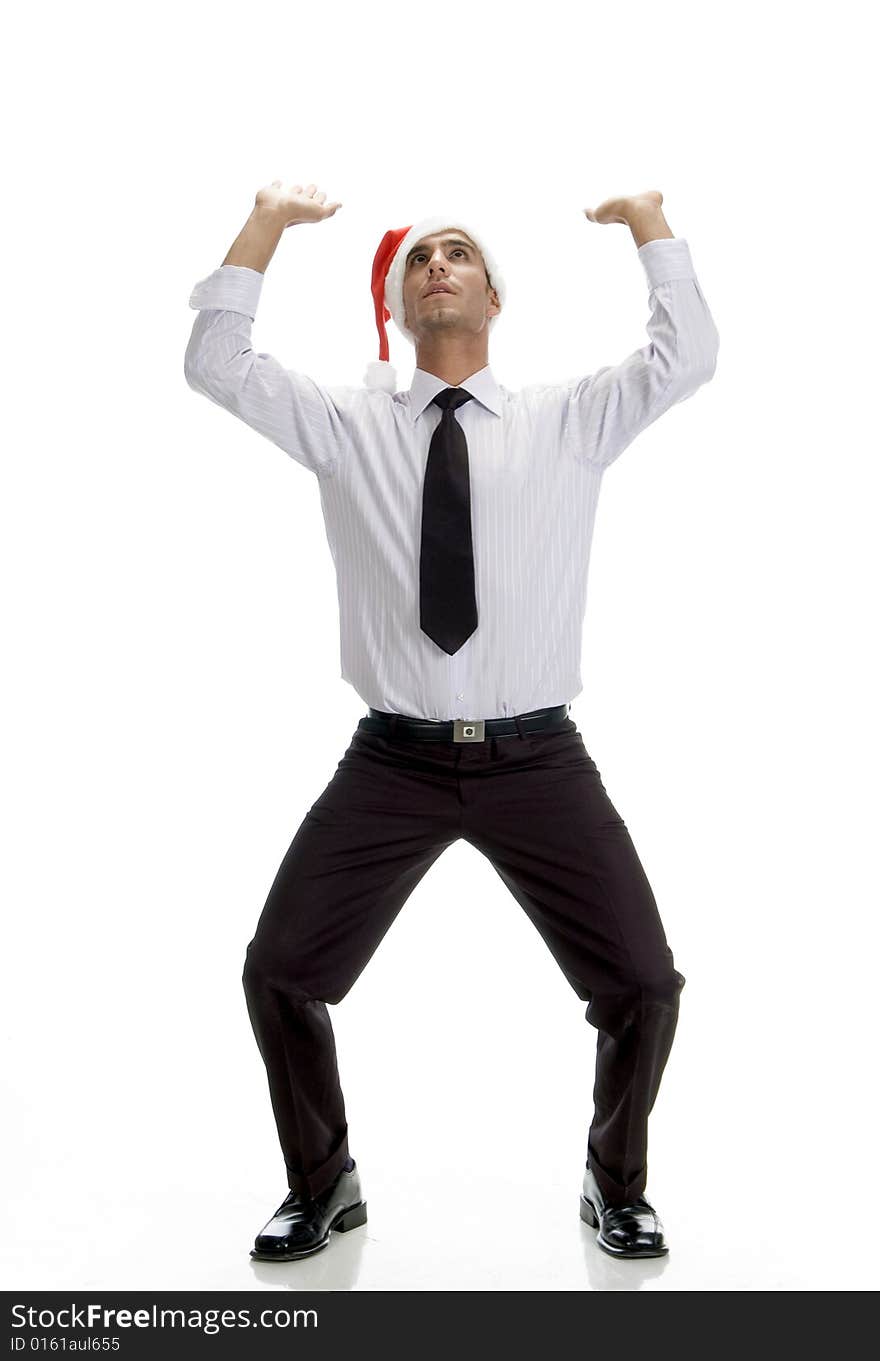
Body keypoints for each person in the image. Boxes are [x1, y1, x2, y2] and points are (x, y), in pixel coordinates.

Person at [184, 180, 720, 1263]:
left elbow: (686, 356)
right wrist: (266, 225)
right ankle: (322, 1182)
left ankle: (614, 1184)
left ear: (492, 298)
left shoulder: (569, 419)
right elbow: (216, 364)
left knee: (642, 984)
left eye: (460, 253)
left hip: (538, 758)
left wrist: (650, 224)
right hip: (393, 761)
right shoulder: (344, 425)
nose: (439, 264)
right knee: (279, 969)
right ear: (396, 303)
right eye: (420, 256)